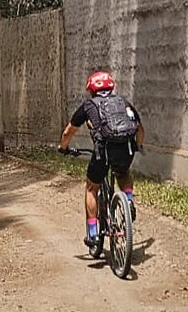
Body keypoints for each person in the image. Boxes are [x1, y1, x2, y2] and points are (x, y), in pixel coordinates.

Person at [59, 71, 144, 248]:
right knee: (123, 173)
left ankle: (93, 234)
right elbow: (140, 128)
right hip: (125, 149)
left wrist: (63, 148)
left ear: (91, 89)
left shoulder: (88, 106)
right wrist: (138, 146)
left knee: (91, 187)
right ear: (111, 87)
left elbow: (68, 132)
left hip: (103, 153)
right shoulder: (123, 102)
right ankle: (128, 200)